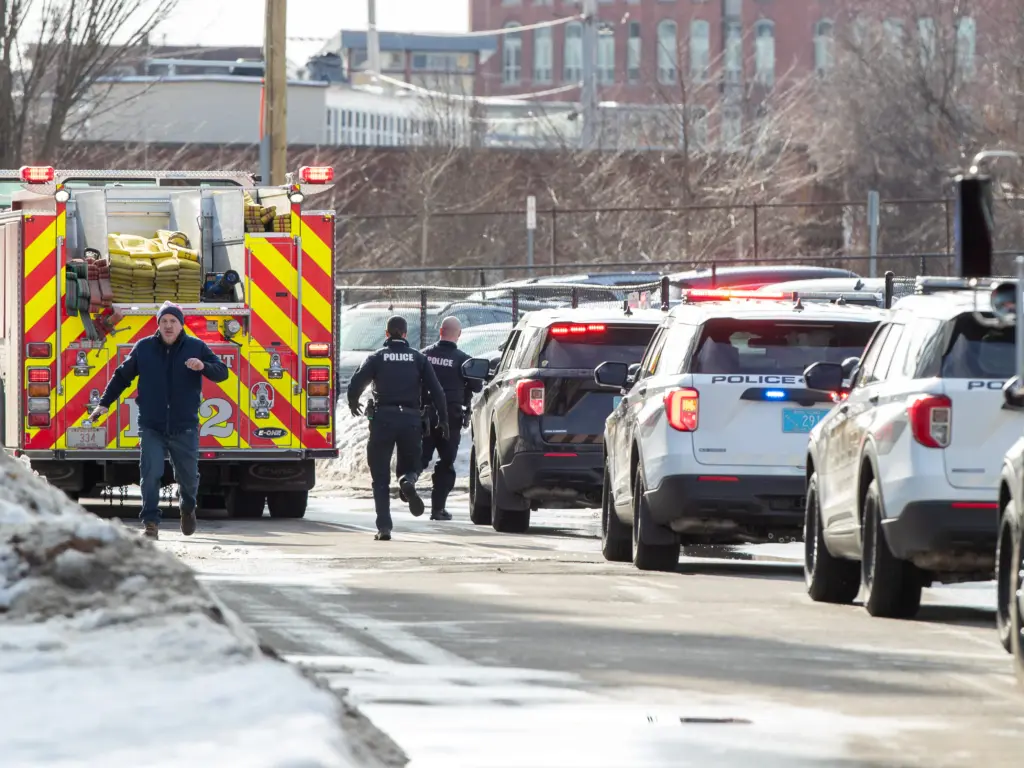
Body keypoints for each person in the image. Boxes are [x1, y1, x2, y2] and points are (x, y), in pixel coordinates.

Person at [89, 301, 229, 540]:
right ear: (158, 324)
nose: (168, 326)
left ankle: (188, 507)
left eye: (173, 321)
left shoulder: (196, 346)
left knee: (188, 479)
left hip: (184, 427)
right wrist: (104, 403)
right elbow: (122, 376)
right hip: (151, 426)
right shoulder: (144, 348)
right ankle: (151, 524)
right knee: (150, 474)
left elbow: (222, 372)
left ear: (181, 325)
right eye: (164, 321)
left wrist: (203, 366)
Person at [347, 315, 448, 541]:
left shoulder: (377, 357)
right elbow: (437, 391)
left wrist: (353, 402)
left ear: (386, 334)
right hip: (410, 420)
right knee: (410, 466)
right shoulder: (418, 358)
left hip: (383, 420)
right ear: (405, 334)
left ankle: (384, 527)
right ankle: (407, 482)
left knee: (380, 477)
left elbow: (356, 383)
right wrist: (443, 419)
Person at [417, 316, 482, 520]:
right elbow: (477, 386)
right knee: (446, 463)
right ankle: (438, 509)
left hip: (425, 416)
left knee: (421, 457)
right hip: (451, 418)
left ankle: (408, 482)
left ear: (440, 331)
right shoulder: (463, 359)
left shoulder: (423, 355)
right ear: (459, 334)